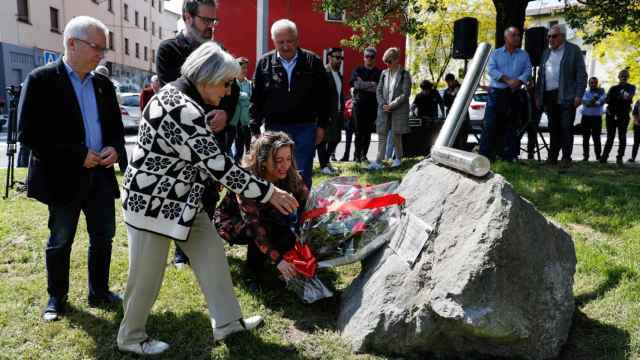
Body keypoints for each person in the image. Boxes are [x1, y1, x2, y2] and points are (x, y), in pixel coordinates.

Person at [117, 42, 299, 355]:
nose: (229, 92)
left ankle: (227, 323)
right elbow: (219, 166)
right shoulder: (182, 109)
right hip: (152, 203)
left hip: (181, 201)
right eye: (226, 83)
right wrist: (271, 192)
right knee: (146, 274)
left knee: (212, 253)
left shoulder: (181, 96)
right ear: (206, 78)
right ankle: (130, 337)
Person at [17, 16, 125, 322]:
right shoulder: (41, 80)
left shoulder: (103, 83)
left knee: (103, 236)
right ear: (72, 43)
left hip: (101, 176)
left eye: (104, 48)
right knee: (61, 238)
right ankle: (57, 297)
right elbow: (30, 134)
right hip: (64, 177)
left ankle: (99, 291)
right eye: (97, 47)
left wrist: (115, 148)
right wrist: (78, 155)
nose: (102, 54)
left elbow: (115, 128)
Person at [156, 0, 239, 267]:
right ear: (187, 17)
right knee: (182, 190)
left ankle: (202, 244)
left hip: (215, 132)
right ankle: (181, 250)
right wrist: (204, 115)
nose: (211, 27)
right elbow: (174, 90)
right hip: (182, 140)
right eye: (206, 20)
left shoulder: (219, 50)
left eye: (215, 21)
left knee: (209, 192)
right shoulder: (169, 50)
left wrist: (224, 112)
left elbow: (232, 89)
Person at [216, 131, 309, 290]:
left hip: (267, 219)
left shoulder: (290, 175)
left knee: (284, 233)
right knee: (264, 228)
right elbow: (254, 226)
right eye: (278, 160)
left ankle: (283, 265)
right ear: (264, 161)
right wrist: (279, 261)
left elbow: (307, 204)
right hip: (232, 222)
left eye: (288, 159)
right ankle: (251, 273)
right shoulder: (248, 181)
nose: (285, 165)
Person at [250, 19, 329, 189]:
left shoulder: (312, 61)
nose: (286, 46)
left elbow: (324, 96)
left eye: (289, 41)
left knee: (302, 174)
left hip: (305, 128)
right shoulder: (264, 63)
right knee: (276, 173)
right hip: (275, 128)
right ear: (274, 41)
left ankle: (300, 213)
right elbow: (256, 98)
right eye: (281, 42)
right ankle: (278, 213)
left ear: (297, 38)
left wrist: (322, 125)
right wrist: (255, 129)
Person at [536, 24, 587, 167]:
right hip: (549, 95)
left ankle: (566, 158)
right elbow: (541, 76)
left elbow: (581, 74)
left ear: (563, 37)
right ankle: (552, 158)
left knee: (566, 127)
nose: (550, 39)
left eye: (554, 36)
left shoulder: (573, 50)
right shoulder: (546, 53)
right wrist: (539, 96)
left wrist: (579, 95)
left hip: (567, 95)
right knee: (553, 128)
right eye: (549, 36)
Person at [480, 26, 532, 162]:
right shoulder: (496, 53)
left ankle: (509, 156)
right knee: (490, 124)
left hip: (515, 93)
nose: (517, 38)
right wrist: (508, 80)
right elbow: (491, 70)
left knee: (512, 125)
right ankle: (485, 156)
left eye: (519, 35)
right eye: (514, 35)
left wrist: (519, 81)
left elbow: (528, 71)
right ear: (506, 38)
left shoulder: (524, 55)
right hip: (497, 93)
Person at [368, 47, 411, 170]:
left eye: (389, 61)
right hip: (384, 109)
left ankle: (398, 159)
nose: (387, 64)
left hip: (398, 109)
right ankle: (379, 160)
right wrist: (382, 104)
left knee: (396, 134)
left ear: (397, 60)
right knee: (382, 134)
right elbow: (379, 90)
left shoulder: (404, 74)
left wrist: (392, 105)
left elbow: (405, 93)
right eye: (385, 61)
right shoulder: (384, 73)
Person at [350, 47, 381, 163]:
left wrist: (362, 83)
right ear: (364, 58)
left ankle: (364, 155)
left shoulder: (379, 72)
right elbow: (355, 84)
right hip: (359, 106)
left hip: (372, 106)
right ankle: (356, 156)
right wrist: (371, 84)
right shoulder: (357, 70)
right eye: (367, 56)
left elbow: (377, 88)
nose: (369, 59)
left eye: (372, 57)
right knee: (358, 132)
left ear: (375, 58)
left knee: (368, 133)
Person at [318, 47, 344, 175]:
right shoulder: (324, 72)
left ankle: (326, 162)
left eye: (341, 58)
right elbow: (320, 96)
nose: (339, 60)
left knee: (336, 138)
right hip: (326, 113)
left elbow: (339, 94)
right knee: (323, 140)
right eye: (337, 57)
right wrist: (323, 114)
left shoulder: (339, 74)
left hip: (338, 112)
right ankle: (323, 166)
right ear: (329, 57)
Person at [601, 69, 636, 165]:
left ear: (628, 77)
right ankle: (604, 157)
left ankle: (619, 158)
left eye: (626, 76)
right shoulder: (613, 88)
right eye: (622, 76)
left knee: (622, 137)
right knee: (610, 137)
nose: (624, 78)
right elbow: (607, 100)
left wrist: (618, 97)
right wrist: (620, 96)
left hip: (623, 116)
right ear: (619, 77)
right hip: (611, 115)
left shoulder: (631, 87)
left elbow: (629, 97)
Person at [230, 57, 252, 161]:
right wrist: (244, 97)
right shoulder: (232, 83)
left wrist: (240, 97)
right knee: (236, 147)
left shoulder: (250, 84)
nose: (245, 70)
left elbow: (252, 99)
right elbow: (234, 98)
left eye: (246, 68)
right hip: (233, 121)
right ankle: (235, 165)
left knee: (248, 147)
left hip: (246, 121)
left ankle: (246, 167)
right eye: (242, 68)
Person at [442, 73, 472, 150]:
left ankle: (462, 148)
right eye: (447, 82)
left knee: (462, 134)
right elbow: (445, 103)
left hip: (462, 115)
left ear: (454, 81)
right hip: (451, 115)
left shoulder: (461, 88)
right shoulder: (447, 91)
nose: (448, 84)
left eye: (450, 82)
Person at [581, 77, 605, 162]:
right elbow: (586, 104)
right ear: (589, 84)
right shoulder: (585, 93)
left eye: (595, 82)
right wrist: (595, 98)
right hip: (586, 118)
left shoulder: (602, 92)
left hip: (597, 118)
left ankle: (598, 156)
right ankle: (585, 156)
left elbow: (602, 102)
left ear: (597, 83)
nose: (593, 84)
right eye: (591, 83)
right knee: (585, 138)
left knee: (597, 138)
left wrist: (592, 102)